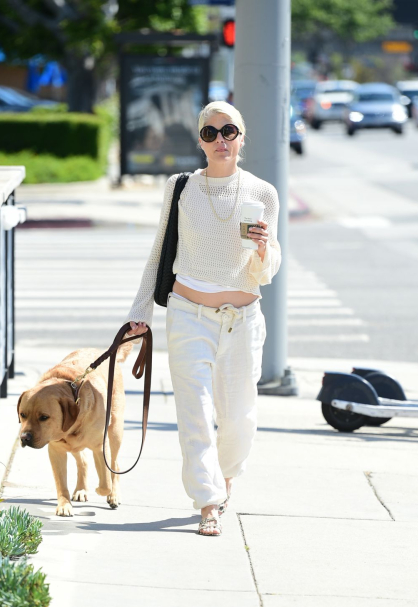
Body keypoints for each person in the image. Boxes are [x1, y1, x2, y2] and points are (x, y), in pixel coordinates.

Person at [124, 100, 281, 536]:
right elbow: (159, 251)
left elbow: (264, 272)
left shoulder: (263, 193)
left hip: (242, 318)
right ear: (200, 141)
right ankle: (208, 498)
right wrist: (140, 314)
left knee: (238, 417)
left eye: (228, 132)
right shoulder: (181, 187)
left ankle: (227, 475)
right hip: (188, 313)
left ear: (241, 137)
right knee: (194, 410)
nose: (220, 141)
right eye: (210, 133)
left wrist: (265, 248)